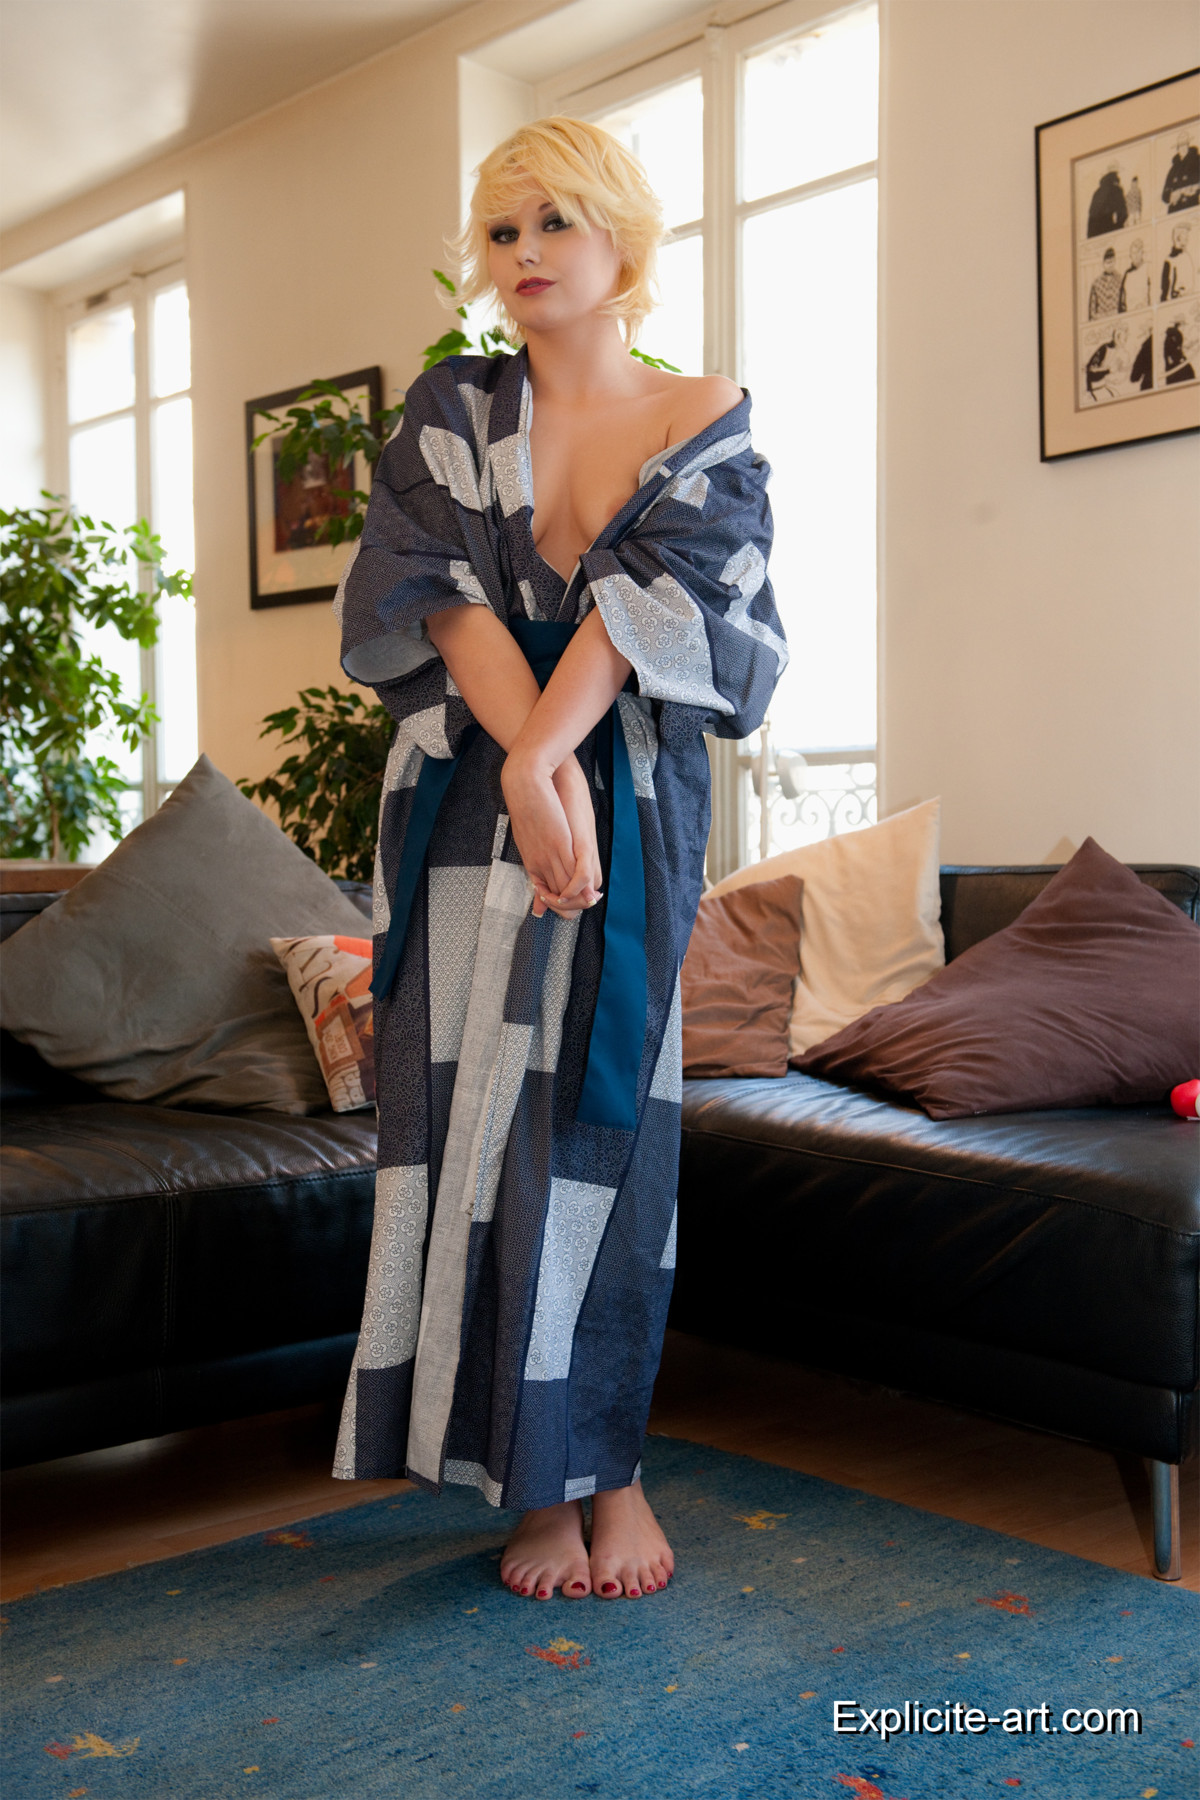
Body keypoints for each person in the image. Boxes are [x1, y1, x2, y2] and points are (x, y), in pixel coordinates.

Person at [332, 117, 786, 1604]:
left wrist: (553, 765)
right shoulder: (452, 412)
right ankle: (531, 1486)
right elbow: (436, 596)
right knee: (467, 1126)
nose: (524, 253)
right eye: (502, 230)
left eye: (555, 223)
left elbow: (667, 606)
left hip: (624, 800)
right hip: (464, 797)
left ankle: (614, 1467)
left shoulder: (702, 412)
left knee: (604, 1140)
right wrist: (521, 767)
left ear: (623, 243)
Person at [1162, 131, 1200, 213]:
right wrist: (1172, 196)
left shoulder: (1197, 161)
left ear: (1188, 145)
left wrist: (1184, 191)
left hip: (1191, 207)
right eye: (1180, 146)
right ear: (1177, 148)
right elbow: (1164, 196)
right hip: (1174, 210)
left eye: (1185, 145)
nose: (1183, 148)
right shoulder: (1173, 169)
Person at [1086, 163, 1127, 237]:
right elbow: (1123, 213)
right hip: (1108, 230)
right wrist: (1118, 227)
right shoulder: (1116, 189)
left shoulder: (1097, 192)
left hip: (1093, 233)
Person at [1161, 223, 1195, 301]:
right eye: (1185, 234)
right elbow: (1165, 291)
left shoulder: (1186, 256)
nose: (1187, 237)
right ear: (1178, 237)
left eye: (1187, 234)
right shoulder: (1169, 260)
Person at [1118, 238, 1151, 313]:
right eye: (1133, 253)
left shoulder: (1148, 267)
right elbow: (1122, 299)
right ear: (1130, 255)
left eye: (1138, 252)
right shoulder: (1127, 274)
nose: (1135, 256)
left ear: (1142, 253)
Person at [1087, 245, 1121, 317]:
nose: (1110, 265)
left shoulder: (1120, 279)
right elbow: (1092, 312)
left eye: (1112, 262)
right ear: (1103, 264)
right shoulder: (1096, 284)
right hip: (1101, 319)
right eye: (1108, 262)